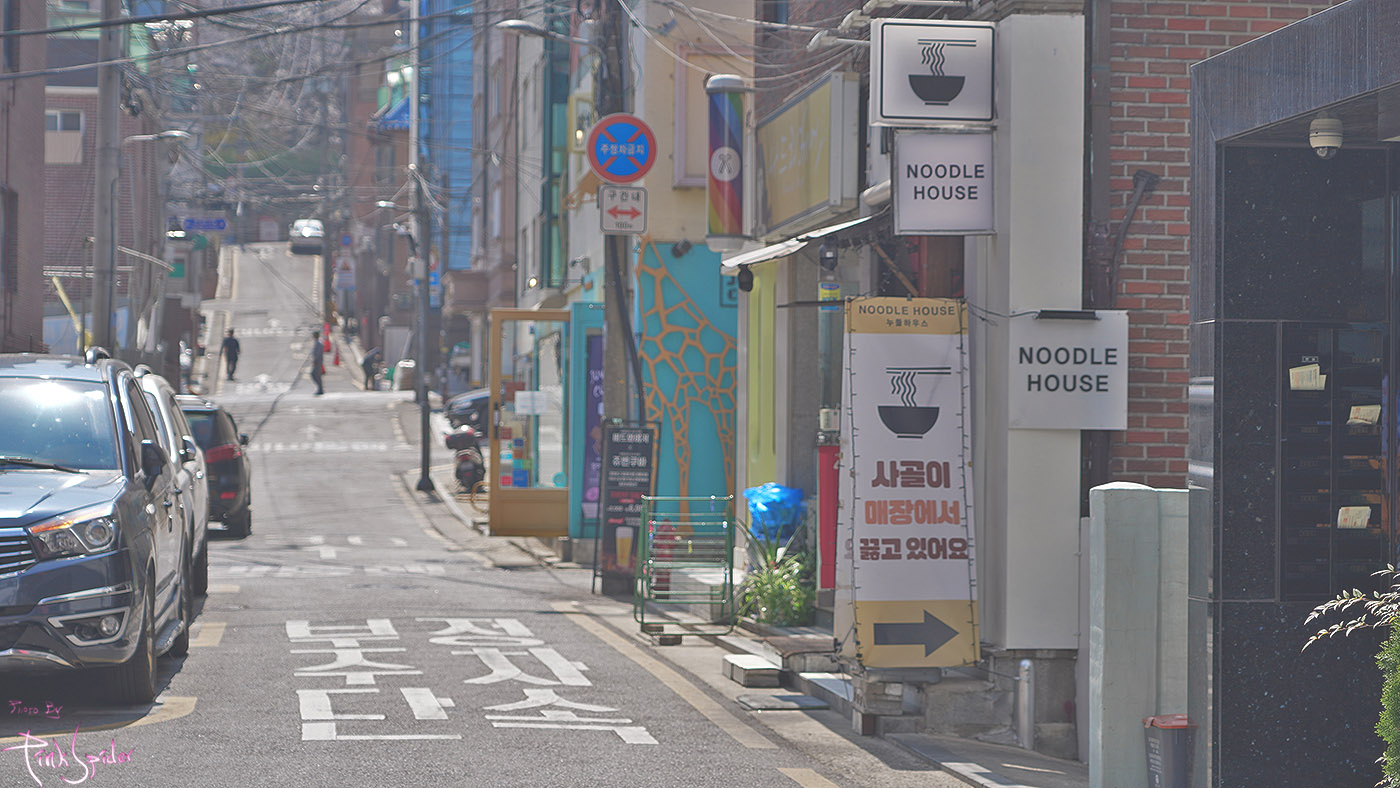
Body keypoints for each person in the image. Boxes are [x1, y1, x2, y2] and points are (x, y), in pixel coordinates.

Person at [310, 330, 325, 395]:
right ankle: (320, 388)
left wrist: (315, 360)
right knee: (316, 375)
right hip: (317, 362)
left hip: (317, 362)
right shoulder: (317, 342)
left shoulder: (319, 343)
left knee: (315, 375)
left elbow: (318, 353)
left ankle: (320, 389)